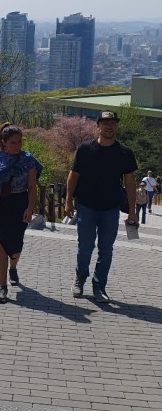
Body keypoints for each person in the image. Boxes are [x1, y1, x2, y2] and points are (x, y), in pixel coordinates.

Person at [65, 110, 137, 303]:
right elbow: (73, 176)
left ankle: (99, 286)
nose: (109, 126)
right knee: (85, 247)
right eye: (105, 123)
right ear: (97, 126)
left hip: (110, 209)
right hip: (86, 206)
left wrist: (132, 211)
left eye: (112, 123)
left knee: (106, 249)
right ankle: (80, 279)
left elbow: (130, 182)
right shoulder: (85, 149)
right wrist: (67, 200)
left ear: (116, 126)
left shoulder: (124, 152)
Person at [0, 123, 43, 304]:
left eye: (19, 142)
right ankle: (2, 287)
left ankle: (13, 267)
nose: (17, 146)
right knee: (0, 244)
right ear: (4, 142)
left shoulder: (28, 159)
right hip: (0, 203)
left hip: (20, 202)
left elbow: (32, 187)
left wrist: (30, 208)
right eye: (13, 142)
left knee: (15, 245)